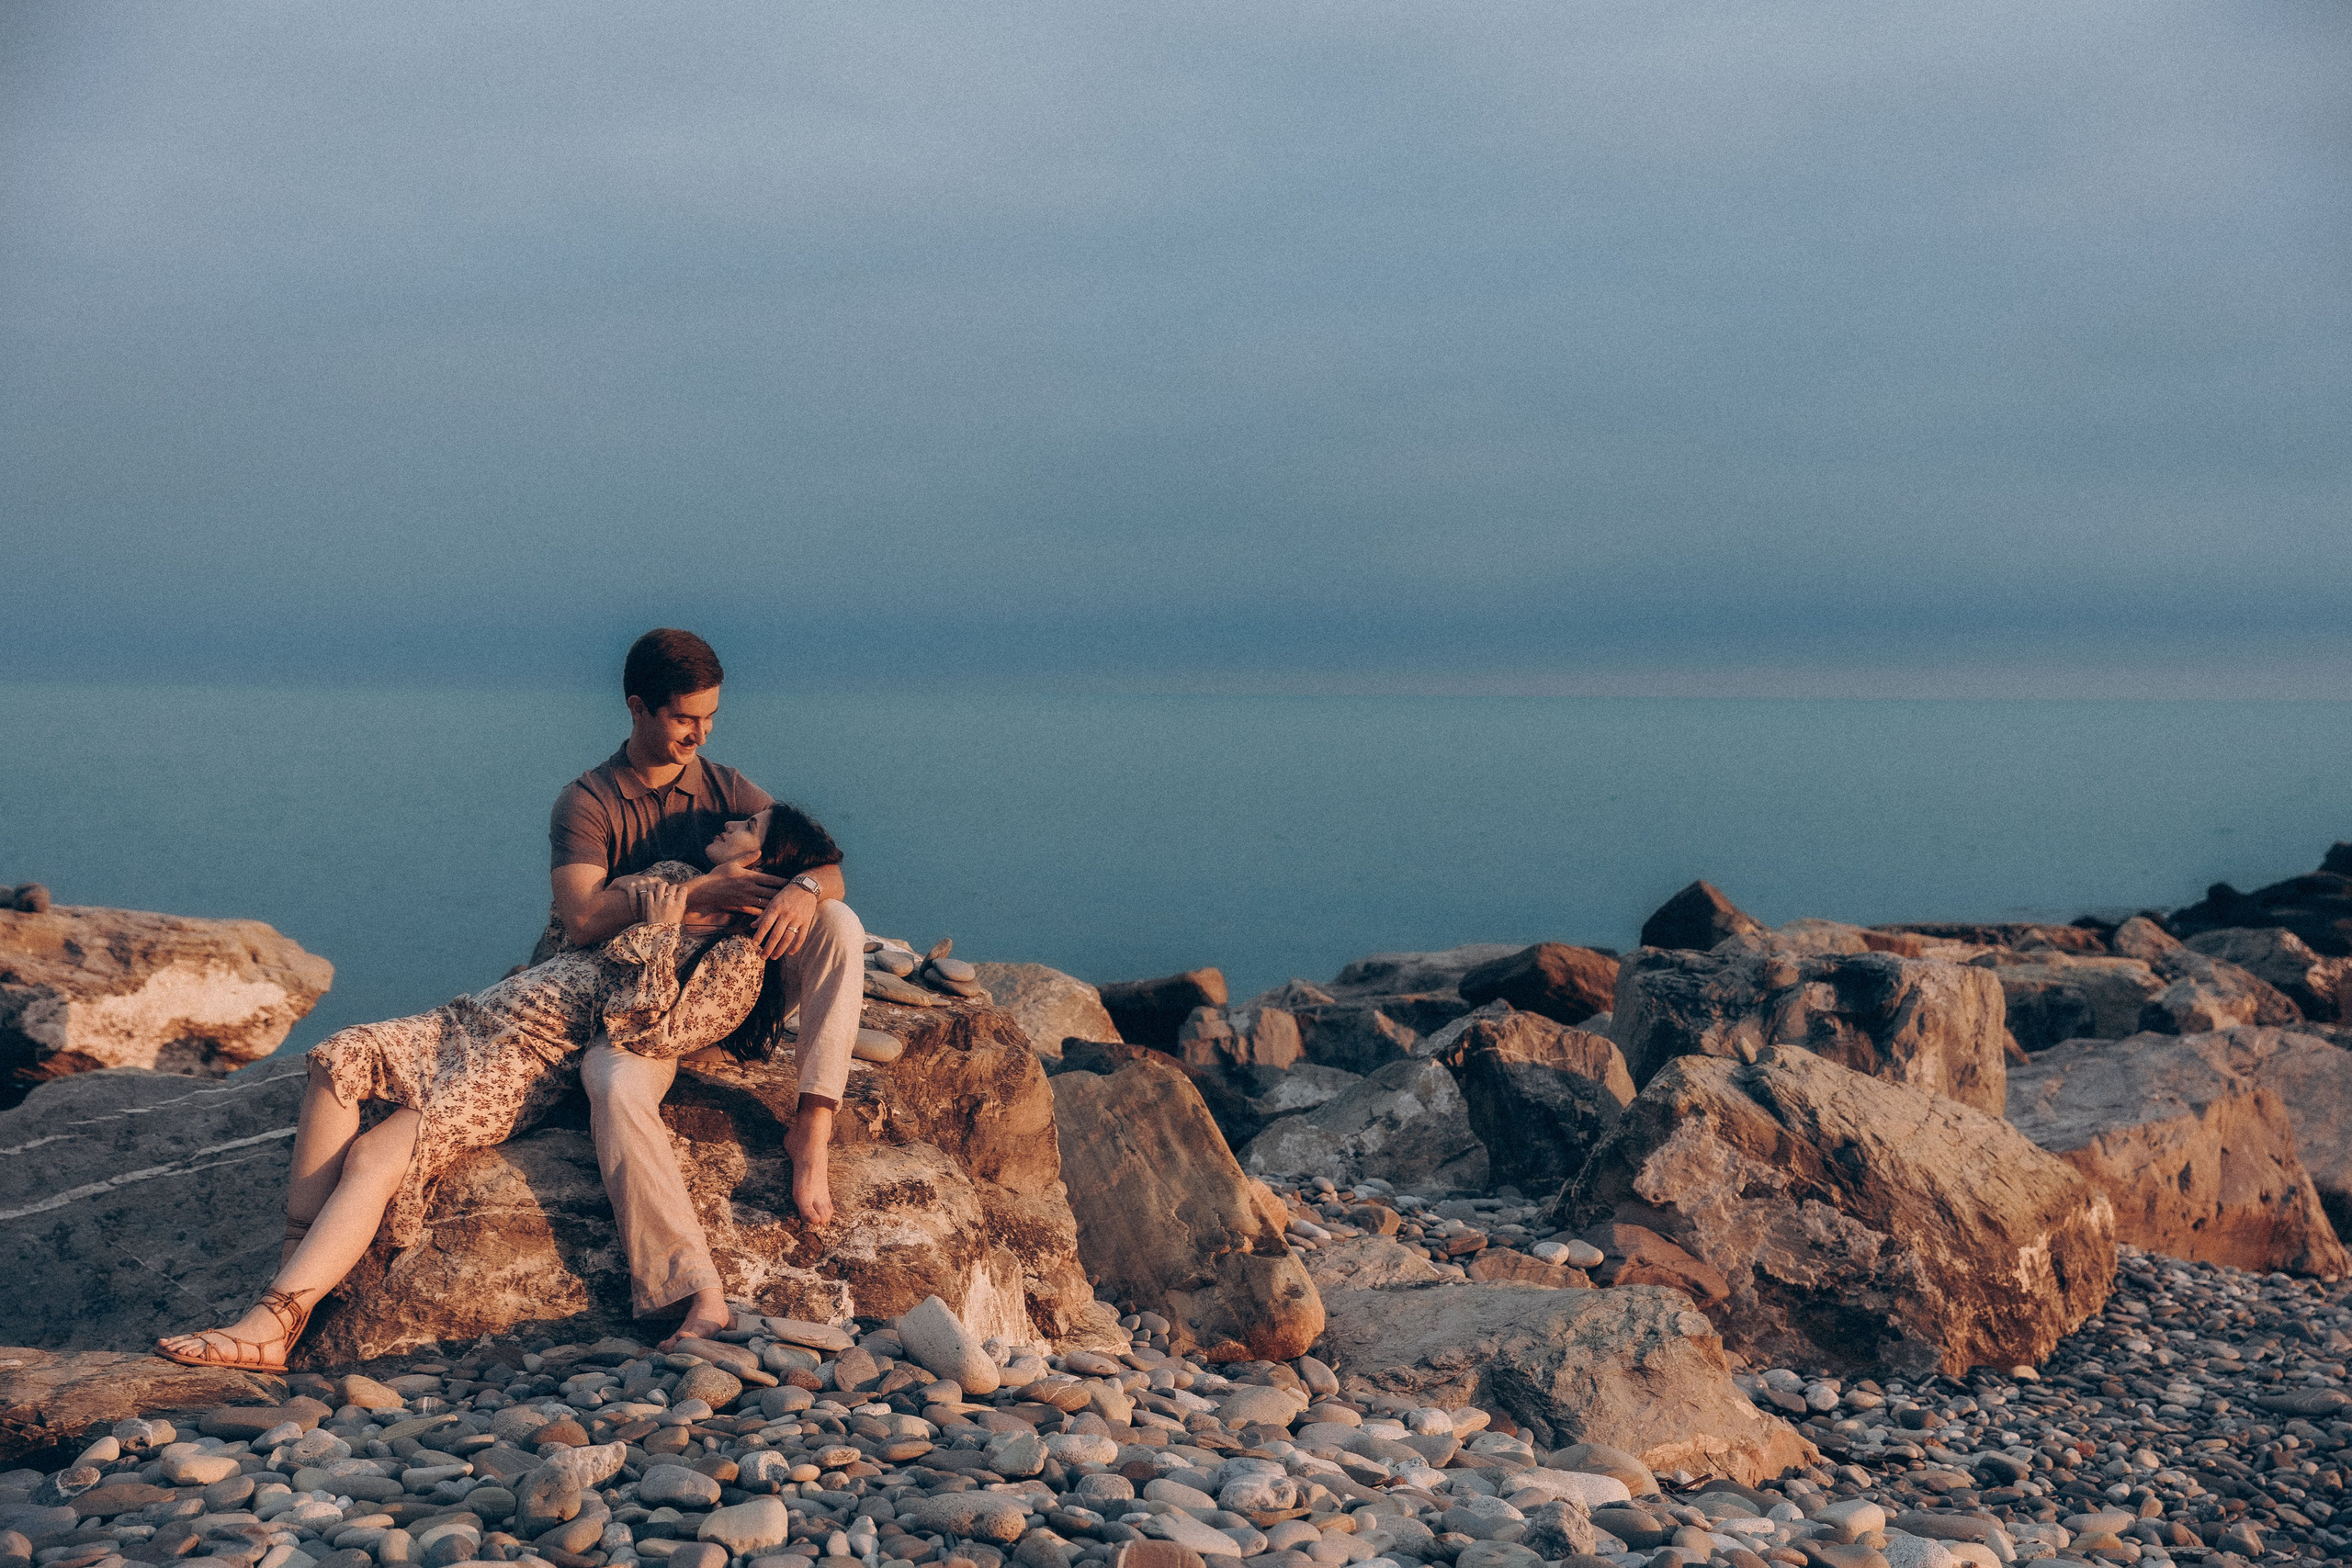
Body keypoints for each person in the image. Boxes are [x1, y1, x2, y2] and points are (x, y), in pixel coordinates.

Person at [153, 804, 843, 1374]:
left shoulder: (736, 962)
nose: (730, 819)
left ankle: (277, 1318)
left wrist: (662, 935)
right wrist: (682, 898)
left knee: (377, 1156)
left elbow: (646, 1033)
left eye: (749, 825)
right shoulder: (672, 877)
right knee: (338, 1057)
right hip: (475, 1015)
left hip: (526, 1058)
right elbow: (573, 926)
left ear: (763, 863)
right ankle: (292, 1280)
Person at [537, 628, 865, 1345]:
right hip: (637, 1009)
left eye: (710, 717)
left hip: (729, 994)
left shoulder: (725, 788)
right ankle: (695, 1290)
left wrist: (806, 887)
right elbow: (582, 916)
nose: (701, 733)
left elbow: (824, 861)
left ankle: (811, 1127)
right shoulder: (588, 802)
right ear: (638, 707)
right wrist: (696, 894)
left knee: (839, 921)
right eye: (685, 718)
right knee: (610, 1084)